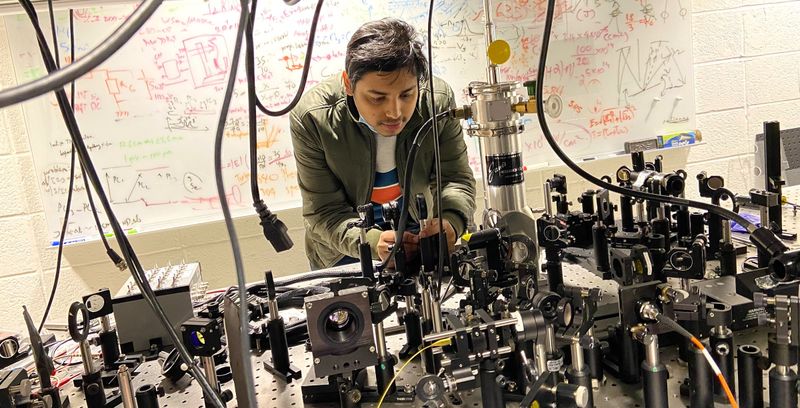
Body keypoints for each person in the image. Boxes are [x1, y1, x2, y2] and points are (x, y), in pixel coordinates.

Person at [290, 18, 476, 270]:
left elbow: (455, 178)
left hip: (421, 232)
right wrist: (370, 241)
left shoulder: (437, 102)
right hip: (346, 248)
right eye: (377, 98)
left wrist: (451, 220)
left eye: (407, 95)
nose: (394, 113)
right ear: (348, 84)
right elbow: (324, 211)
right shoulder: (312, 118)